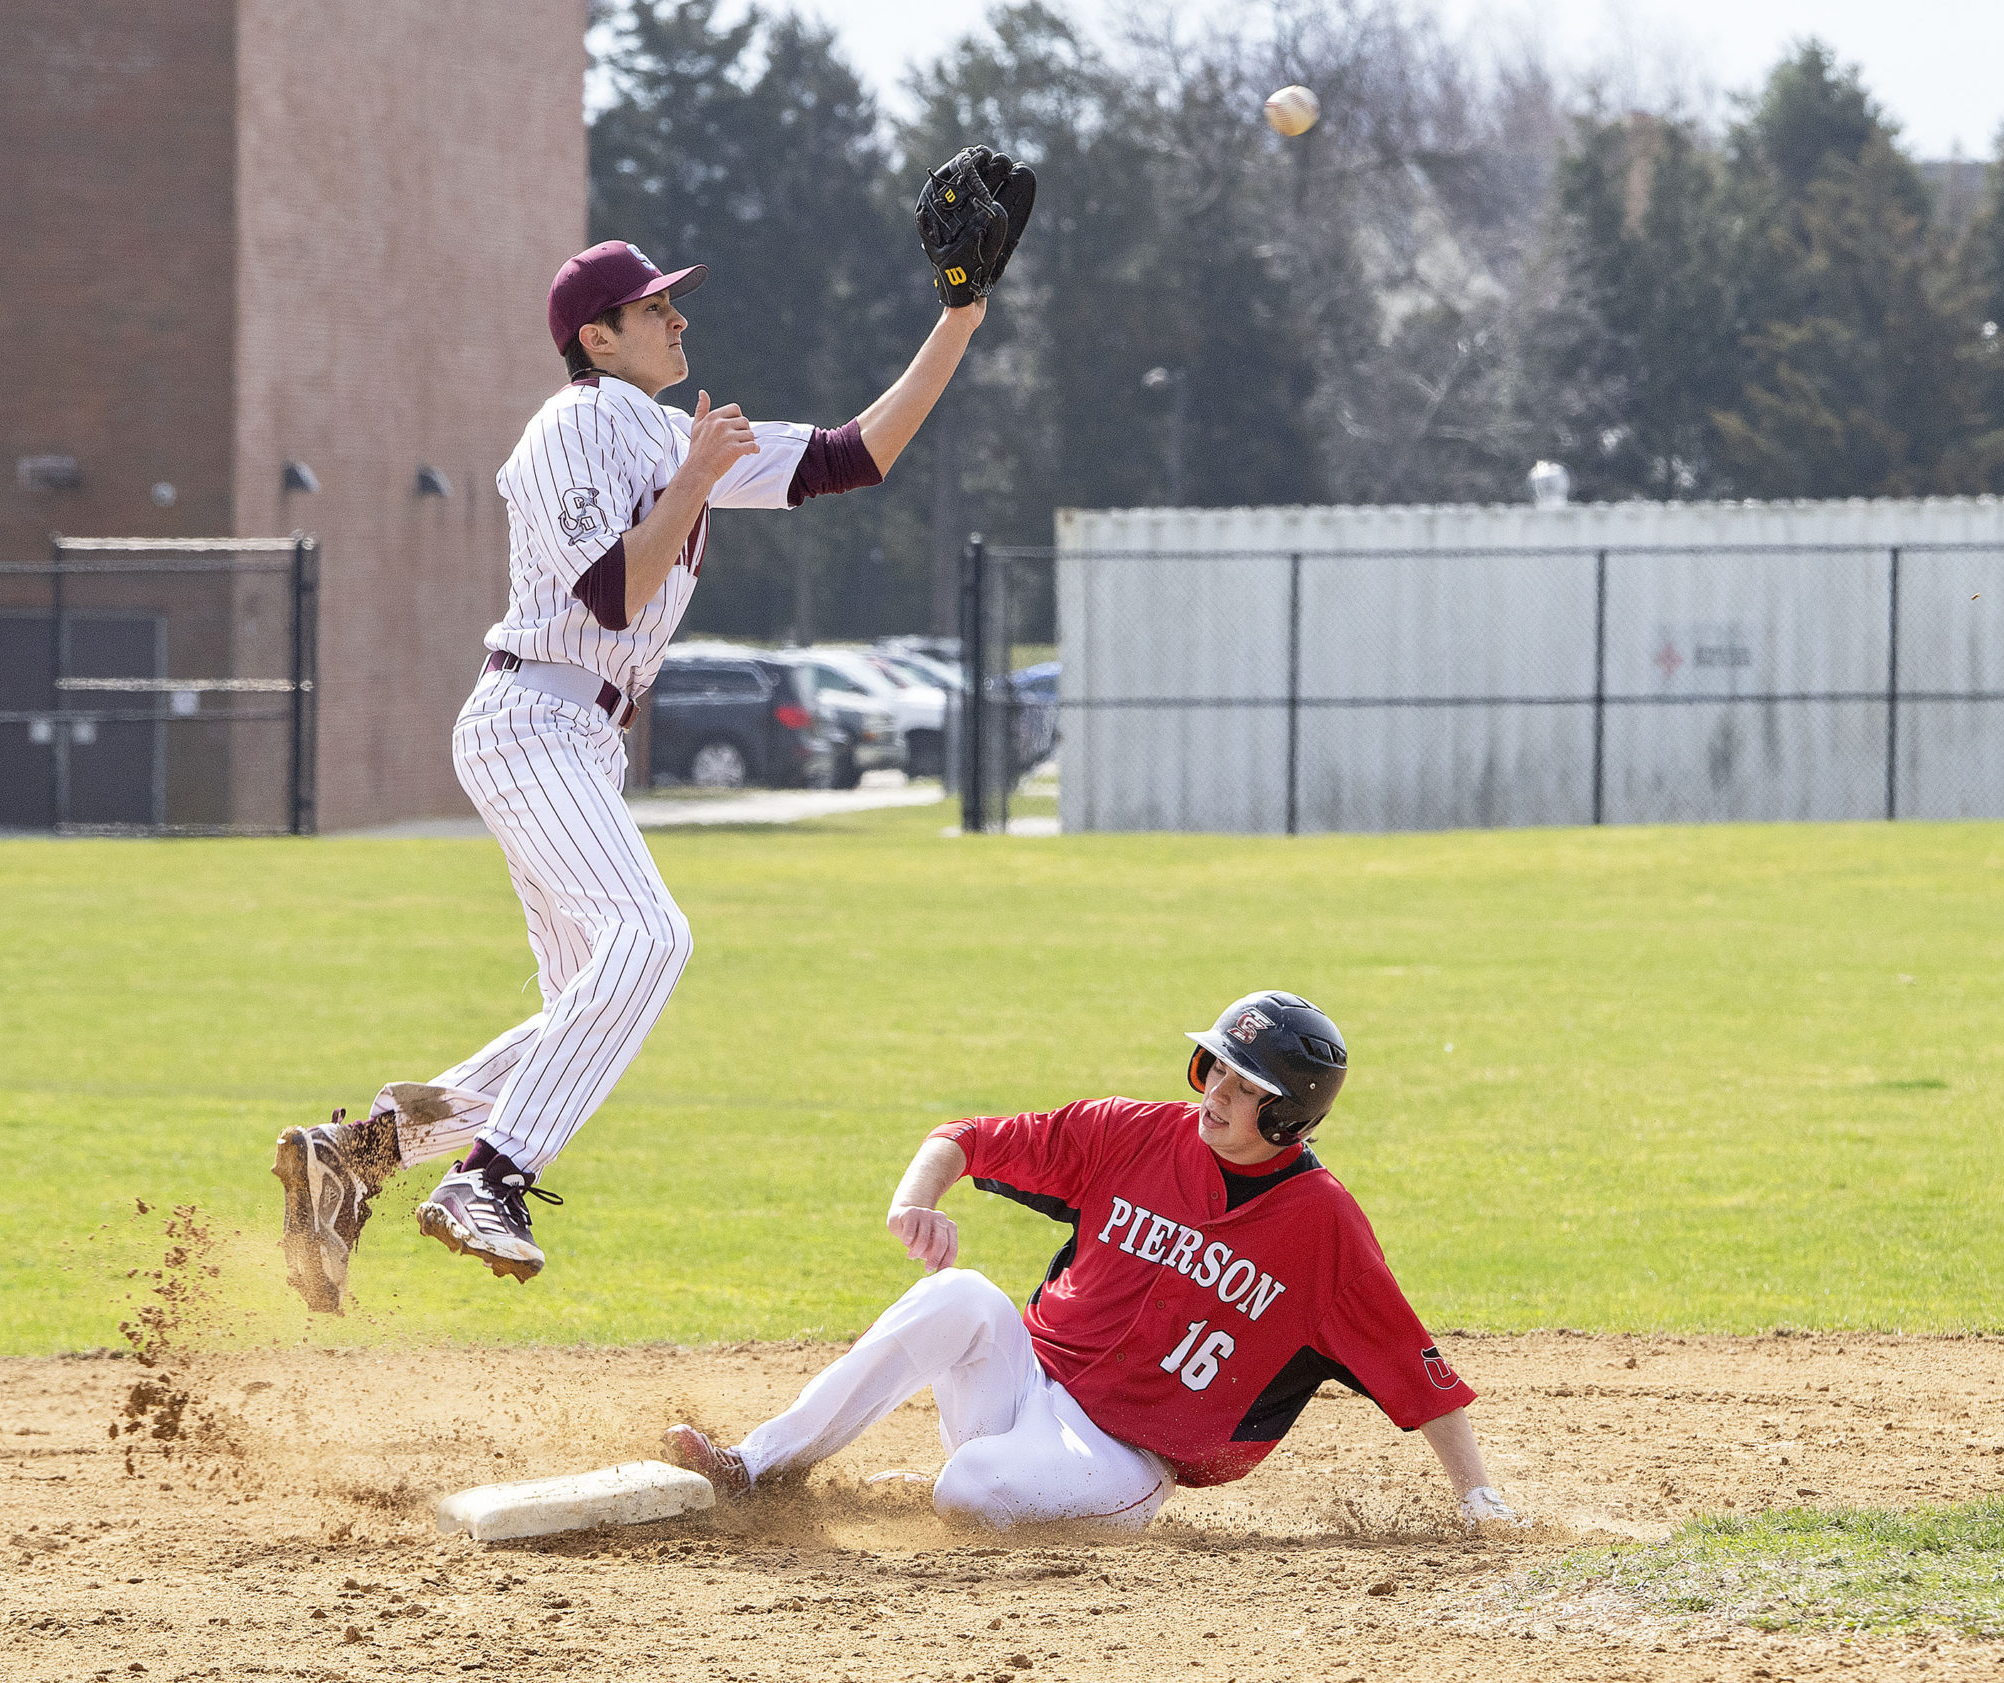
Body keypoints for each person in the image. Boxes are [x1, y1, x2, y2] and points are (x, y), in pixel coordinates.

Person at [270, 149, 1038, 1312]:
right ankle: (490, 1180)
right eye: (654, 306)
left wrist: (961, 314)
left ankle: (360, 1156)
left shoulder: (656, 429)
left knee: (589, 1011)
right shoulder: (580, 424)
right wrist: (692, 480)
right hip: (532, 715)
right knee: (650, 944)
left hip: (572, 742)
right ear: (597, 338)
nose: (679, 318)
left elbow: (853, 456)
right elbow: (605, 597)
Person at [661, 992, 1520, 1533]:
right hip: (1024, 1381)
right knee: (958, 1292)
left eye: (1245, 1082)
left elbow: (1415, 1369)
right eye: (1214, 1065)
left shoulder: (1322, 1225)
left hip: (1122, 1459)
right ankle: (758, 1466)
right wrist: (912, 1198)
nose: (1215, 1090)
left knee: (970, 1490)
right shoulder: (1135, 1133)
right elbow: (966, 1137)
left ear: (1291, 1116)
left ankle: (971, 1485)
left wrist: (1477, 1496)